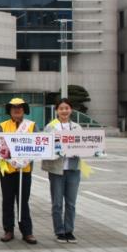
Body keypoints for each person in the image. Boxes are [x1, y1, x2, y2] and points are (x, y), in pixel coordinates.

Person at [0, 97, 38, 244]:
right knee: (7, 201)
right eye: (13, 107)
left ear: (24, 110)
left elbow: (38, 147)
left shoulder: (32, 126)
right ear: (9, 110)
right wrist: (12, 161)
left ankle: (27, 232)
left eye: (19, 107)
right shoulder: (2, 126)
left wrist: (25, 161)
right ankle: (8, 230)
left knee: (23, 201)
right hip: (7, 170)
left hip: (25, 170)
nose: (16, 110)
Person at [42, 98, 83, 244]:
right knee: (57, 203)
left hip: (73, 169)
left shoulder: (77, 127)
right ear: (56, 111)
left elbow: (84, 145)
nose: (64, 111)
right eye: (61, 108)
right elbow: (44, 146)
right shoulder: (50, 127)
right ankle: (59, 231)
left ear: (71, 110)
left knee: (71, 203)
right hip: (56, 170)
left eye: (67, 108)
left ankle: (69, 230)